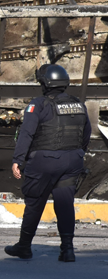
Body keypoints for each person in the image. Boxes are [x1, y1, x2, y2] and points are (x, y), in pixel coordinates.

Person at [5, 64, 90, 262]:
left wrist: (18, 160)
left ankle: (24, 246)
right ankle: (67, 250)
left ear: (45, 84)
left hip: (44, 162)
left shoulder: (38, 104)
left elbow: (26, 133)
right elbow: (86, 134)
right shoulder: (78, 104)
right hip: (73, 161)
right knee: (65, 204)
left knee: (34, 202)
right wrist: (77, 154)